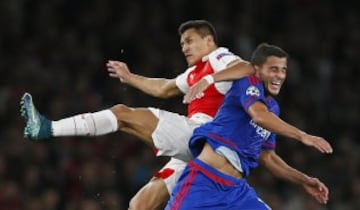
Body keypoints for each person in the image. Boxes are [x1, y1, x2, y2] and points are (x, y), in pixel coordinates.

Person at [20, 20, 254, 210]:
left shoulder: (219, 57)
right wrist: (131, 77)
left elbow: (248, 67)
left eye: (190, 41)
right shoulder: (195, 71)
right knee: (140, 205)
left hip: (209, 136)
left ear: (209, 40)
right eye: (182, 43)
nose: (184, 47)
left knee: (122, 114)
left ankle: (48, 128)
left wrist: (210, 79)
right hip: (198, 150)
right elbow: (164, 88)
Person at [165, 43, 332, 209]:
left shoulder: (272, 109)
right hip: (204, 182)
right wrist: (302, 135)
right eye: (273, 69)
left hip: (236, 192)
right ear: (256, 70)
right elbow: (259, 116)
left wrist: (304, 180)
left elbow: (268, 158)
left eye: (283, 70)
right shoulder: (247, 82)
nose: (280, 75)